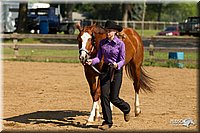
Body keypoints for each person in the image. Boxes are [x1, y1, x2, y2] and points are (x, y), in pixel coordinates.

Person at [86, 20, 130, 130]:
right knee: (104, 96)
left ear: (115, 32)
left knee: (114, 98)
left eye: (110, 31)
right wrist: (92, 61)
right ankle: (107, 121)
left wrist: (117, 65)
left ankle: (126, 108)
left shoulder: (120, 44)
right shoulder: (102, 43)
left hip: (116, 71)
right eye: (107, 31)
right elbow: (98, 57)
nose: (108, 33)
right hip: (105, 69)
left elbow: (123, 60)